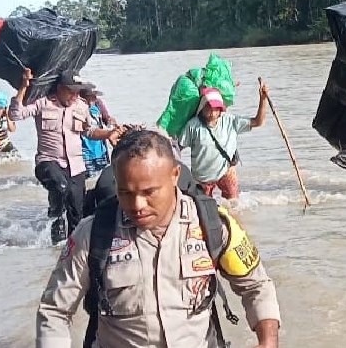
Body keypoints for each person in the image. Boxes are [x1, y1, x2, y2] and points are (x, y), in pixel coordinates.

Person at [37, 129, 281, 348]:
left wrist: (268, 341)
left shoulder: (213, 225)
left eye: (148, 192)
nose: (137, 205)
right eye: (126, 192)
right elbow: (55, 311)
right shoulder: (93, 234)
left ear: (175, 175)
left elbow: (256, 285)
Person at [9, 68, 122, 245]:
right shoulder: (43, 103)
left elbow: (89, 131)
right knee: (60, 187)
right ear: (60, 88)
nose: (75, 96)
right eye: (71, 91)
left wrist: (108, 134)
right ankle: (56, 215)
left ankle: (69, 248)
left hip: (76, 166)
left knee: (77, 213)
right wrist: (23, 87)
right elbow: (15, 114)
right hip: (48, 162)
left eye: (77, 92)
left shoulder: (81, 107)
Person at [177, 85, 268, 201]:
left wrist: (263, 100)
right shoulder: (193, 126)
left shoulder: (230, 122)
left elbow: (257, 122)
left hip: (226, 172)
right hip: (202, 178)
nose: (212, 112)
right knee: (203, 207)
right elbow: (179, 147)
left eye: (215, 108)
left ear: (220, 110)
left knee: (233, 204)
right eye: (208, 107)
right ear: (202, 108)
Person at [80, 88, 112, 178]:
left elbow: (108, 119)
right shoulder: (77, 109)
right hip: (85, 154)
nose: (91, 101)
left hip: (101, 152)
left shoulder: (98, 105)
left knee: (102, 178)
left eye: (93, 98)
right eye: (88, 98)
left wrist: (112, 123)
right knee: (88, 179)